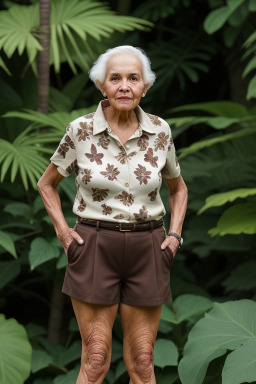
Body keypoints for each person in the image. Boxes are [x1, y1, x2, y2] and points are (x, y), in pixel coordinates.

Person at [37, 45, 188, 384]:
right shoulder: (80, 130)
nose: (124, 86)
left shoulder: (160, 131)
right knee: (95, 360)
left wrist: (175, 236)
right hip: (93, 245)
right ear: (101, 86)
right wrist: (64, 233)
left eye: (133, 78)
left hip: (149, 246)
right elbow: (46, 184)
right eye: (115, 78)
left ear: (144, 87)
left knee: (144, 362)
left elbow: (178, 189)